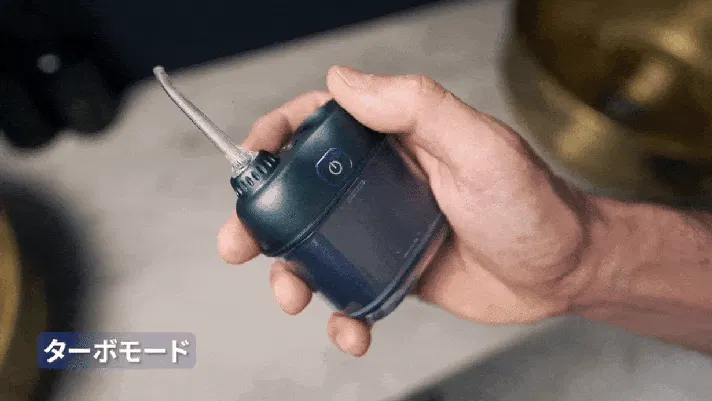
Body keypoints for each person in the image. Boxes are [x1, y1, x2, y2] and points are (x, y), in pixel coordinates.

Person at [217, 65, 712, 358]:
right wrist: (582, 265)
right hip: (444, 236)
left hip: (409, 264)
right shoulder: (300, 169)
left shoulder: (276, 196)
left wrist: (580, 263)